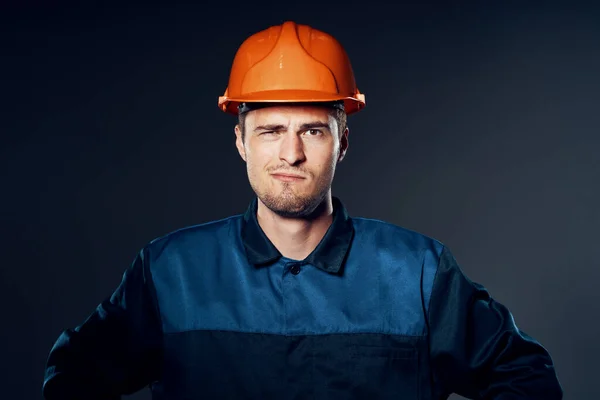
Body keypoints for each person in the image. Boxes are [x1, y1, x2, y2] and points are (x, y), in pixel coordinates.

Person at [42, 21, 563, 399]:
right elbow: (71, 376)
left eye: (312, 130)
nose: (291, 153)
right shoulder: (170, 270)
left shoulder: (418, 272)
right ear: (242, 142)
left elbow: (527, 378)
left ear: (342, 143)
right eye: (271, 131)